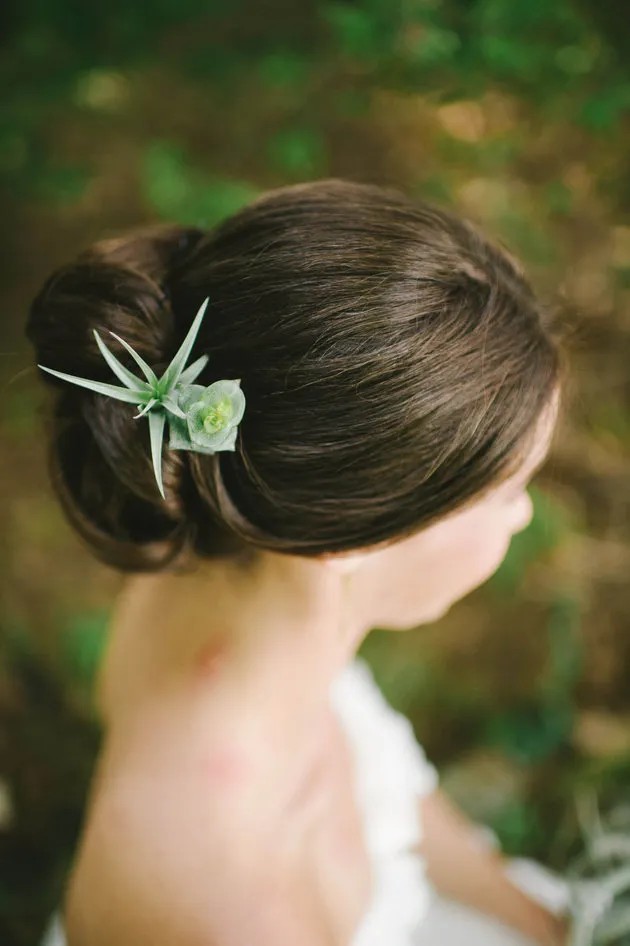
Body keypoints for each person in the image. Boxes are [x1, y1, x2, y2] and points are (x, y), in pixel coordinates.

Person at [27, 178, 570, 946]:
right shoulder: (223, 908)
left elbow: (387, 789)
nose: (524, 516)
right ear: (353, 537)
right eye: (508, 491)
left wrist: (550, 927)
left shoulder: (221, 553)